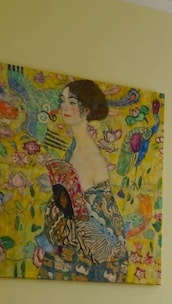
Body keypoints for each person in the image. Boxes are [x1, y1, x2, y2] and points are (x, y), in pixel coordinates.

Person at [40, 79, 129, 282]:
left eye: (72, 102)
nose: (64, 107)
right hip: (63, 252)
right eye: (62, 101)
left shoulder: (91, 156)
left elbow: (104, 225)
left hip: (82, 261)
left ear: (86, 110)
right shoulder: (73, 148)